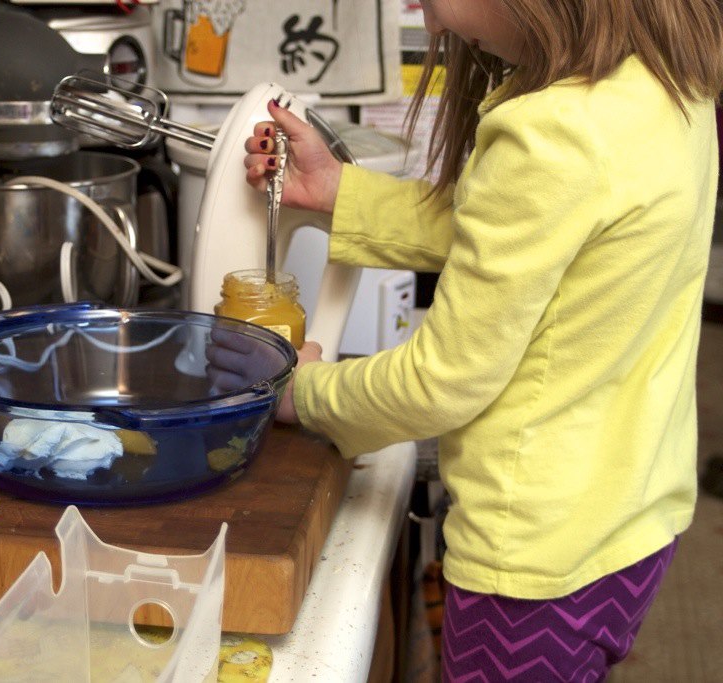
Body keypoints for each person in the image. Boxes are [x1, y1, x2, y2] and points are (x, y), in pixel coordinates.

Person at [240, 0, 723, 679]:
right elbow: (513, 229)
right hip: (631, 520)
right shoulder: (671, 82)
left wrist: (301, 393)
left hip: (530, 566)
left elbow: (440, 382)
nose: (432, 26)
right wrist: (338, 192)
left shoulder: (552, 132)